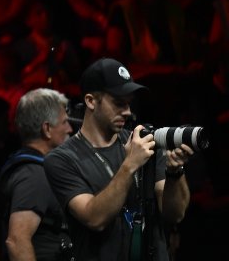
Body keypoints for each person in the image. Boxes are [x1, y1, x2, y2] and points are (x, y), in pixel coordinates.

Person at [43, 59, 193, 261]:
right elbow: (94, 218)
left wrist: (175, 172)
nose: (128, 111)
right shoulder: (62, 159)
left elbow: (175, 214)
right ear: (90, 101)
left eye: (129, 103)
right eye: (118, 103)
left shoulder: (142, 142)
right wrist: (130, 164)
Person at [0, 88, 74, 261]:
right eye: (64, 122)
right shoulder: (34, 175)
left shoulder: (31, 168)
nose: (70, 129)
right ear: (47, 129)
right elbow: (17, 241)